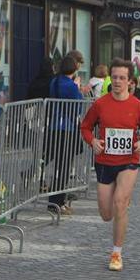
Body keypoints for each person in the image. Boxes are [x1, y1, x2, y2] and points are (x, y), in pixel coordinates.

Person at [80, 59, 140, 270]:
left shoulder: (138, 106)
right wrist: (93, 141)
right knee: (106, 214)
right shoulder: (100, 104)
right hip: (105, 161)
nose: (118, 81)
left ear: (130, 82)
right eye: (115, 77)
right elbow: (85, 127)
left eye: (122, 78)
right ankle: (120, 205)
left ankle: (116, 254)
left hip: (129, 161)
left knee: (120, 203)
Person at [45, 55, 86, 214]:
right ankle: (58, 202)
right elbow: (78, 107)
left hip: (54, 127)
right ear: (74, 68)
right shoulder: (70, 85)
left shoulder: (54, 81)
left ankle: (54, 200)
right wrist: (78, 88)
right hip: (67, 129)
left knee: (58, 166)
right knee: (64, 167)